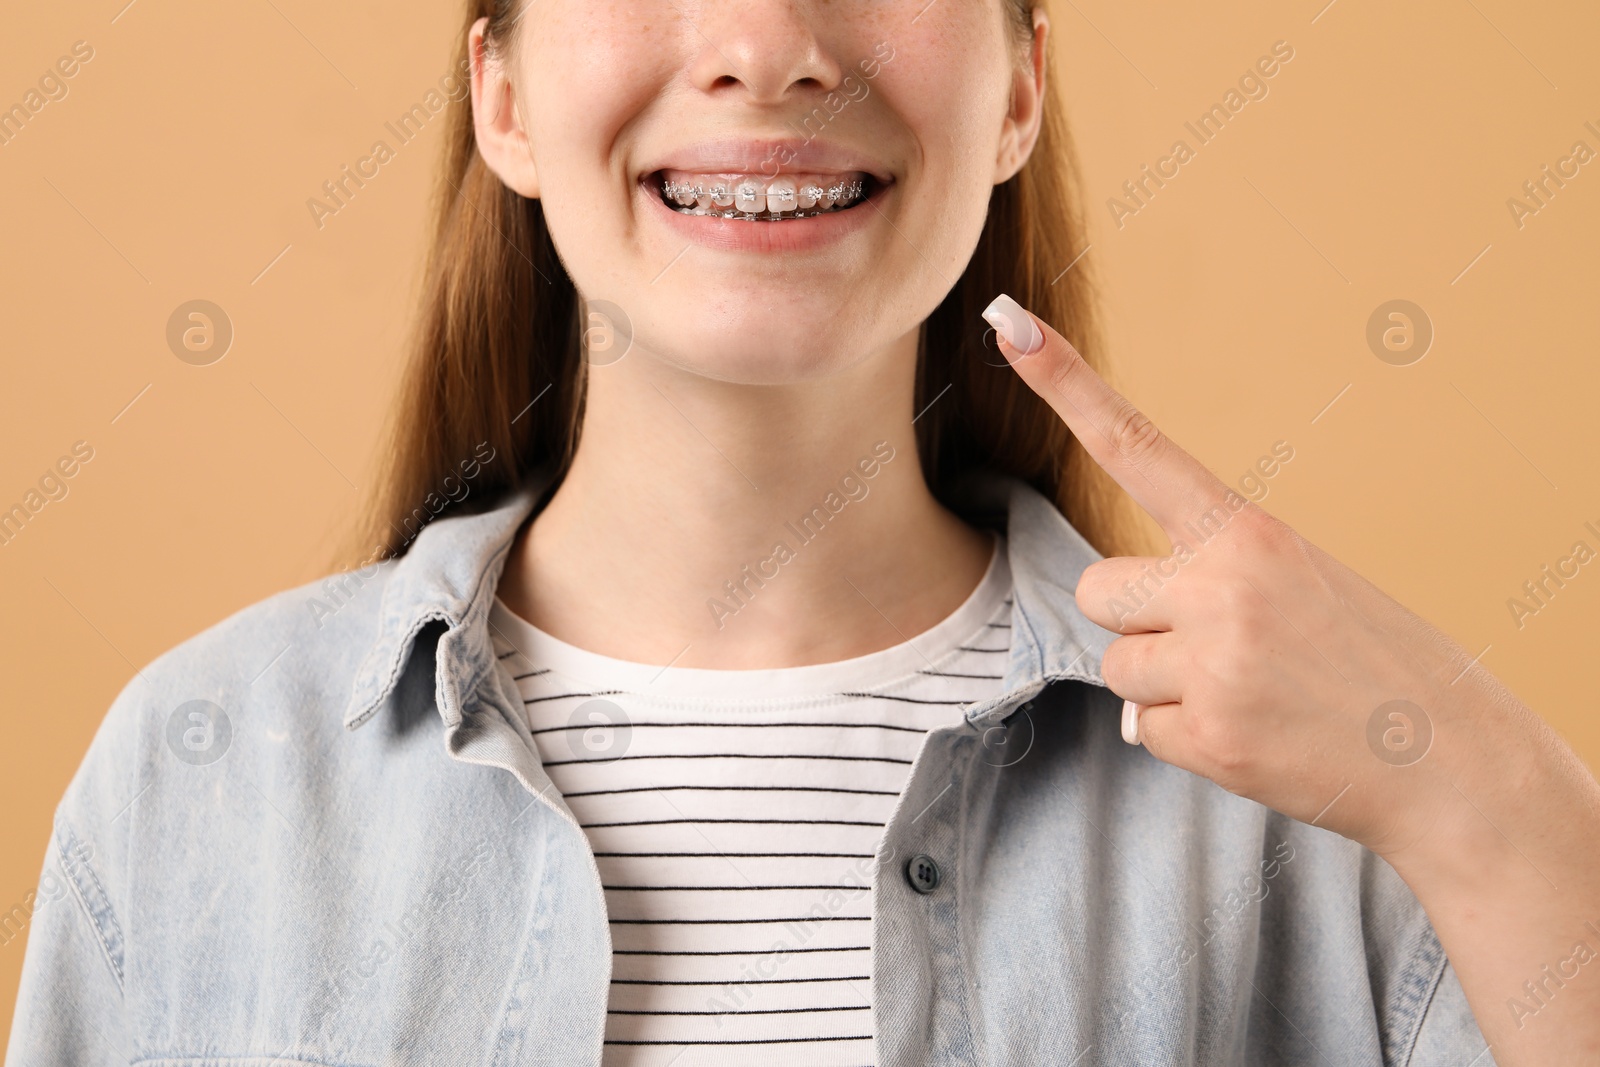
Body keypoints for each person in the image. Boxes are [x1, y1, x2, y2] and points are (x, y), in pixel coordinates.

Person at [9, 1, 1599, 1064]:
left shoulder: (1313, 799)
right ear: (500, 97)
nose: (767, 50)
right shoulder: (200, 774)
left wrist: (1488, 786)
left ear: (1019, 89)